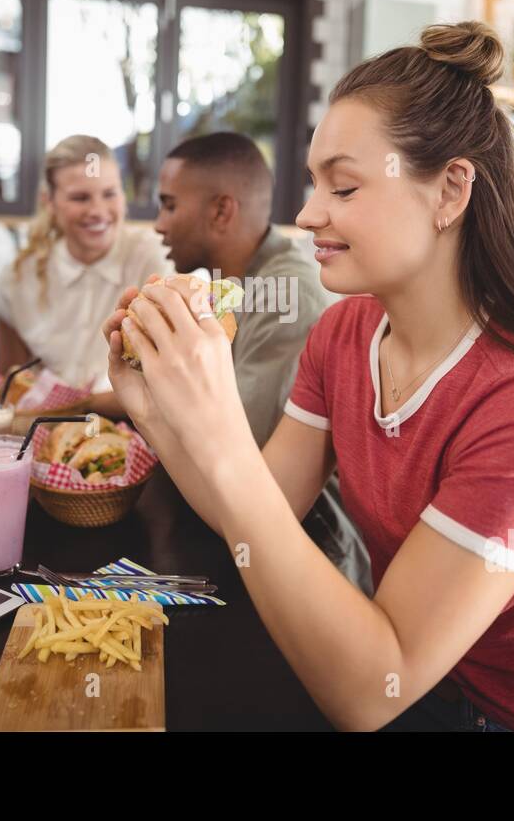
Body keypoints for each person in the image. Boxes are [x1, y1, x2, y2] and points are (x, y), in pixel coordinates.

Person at [100, 22, 514, 732]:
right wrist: (157, 408)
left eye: (344, 186)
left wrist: (215, 418)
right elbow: (257, 510)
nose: (307, 214)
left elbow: (370, 692)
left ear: (450, 191)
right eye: (313, 183)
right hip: (422, 681)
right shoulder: (345, 333)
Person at [153, 132, 370, 588]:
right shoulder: (231, 285)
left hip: (312, 558)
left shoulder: (285, 294)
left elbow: (240, 460)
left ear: (221, 211)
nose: (158, 224)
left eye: (169, 205)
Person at [0, 135, 172, 416]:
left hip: (136, 427)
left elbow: (164, 381)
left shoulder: (153, 259)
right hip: (44, 434)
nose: (97, 211)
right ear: (48, 201)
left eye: (109, 193)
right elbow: (12, 384)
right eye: (80, 197)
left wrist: (77, 407)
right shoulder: (16, 280)